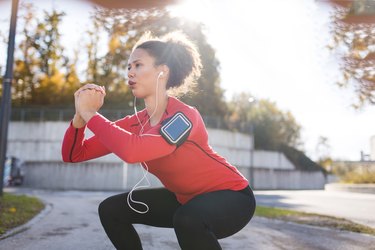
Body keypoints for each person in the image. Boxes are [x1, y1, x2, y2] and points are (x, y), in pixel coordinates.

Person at [61, 31, 256, 250]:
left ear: (162, 72)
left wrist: (91, 114)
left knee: (187, 219)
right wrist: (80, 118)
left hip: (232, 197)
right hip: (184, 198)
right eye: (128, 67)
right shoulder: (134, 123)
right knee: (111, 210)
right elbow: (73, 155)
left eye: (138, 65)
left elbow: (133, 151)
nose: (130, 73)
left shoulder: (183, 117)